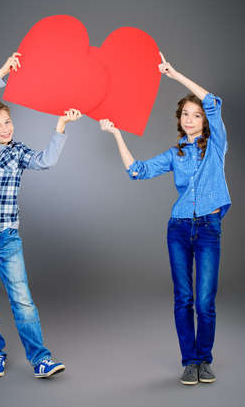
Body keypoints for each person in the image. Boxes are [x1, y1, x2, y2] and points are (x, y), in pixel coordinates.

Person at [99, 52, 231, 385]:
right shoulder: (176, 154)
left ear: (204, 121)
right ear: (179, 119)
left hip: (208, 230)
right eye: (185, 114)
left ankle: (205, 360)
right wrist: (116, 133)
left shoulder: (216, 145)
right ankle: (190, 362)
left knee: (205, 300)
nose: (190, 119)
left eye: (196, 115)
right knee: (184, 298)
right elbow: (137, 171)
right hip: (178, 229)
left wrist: (173, 74)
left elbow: (213, 100)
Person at [0, 52, 82, 378]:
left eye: (8, 121)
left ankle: (41, 359)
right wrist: (2, 72)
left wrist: (60, 126)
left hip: (7, 237)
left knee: (22, 301)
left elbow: (47, 160)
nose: (5, 128)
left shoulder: (19, 153)